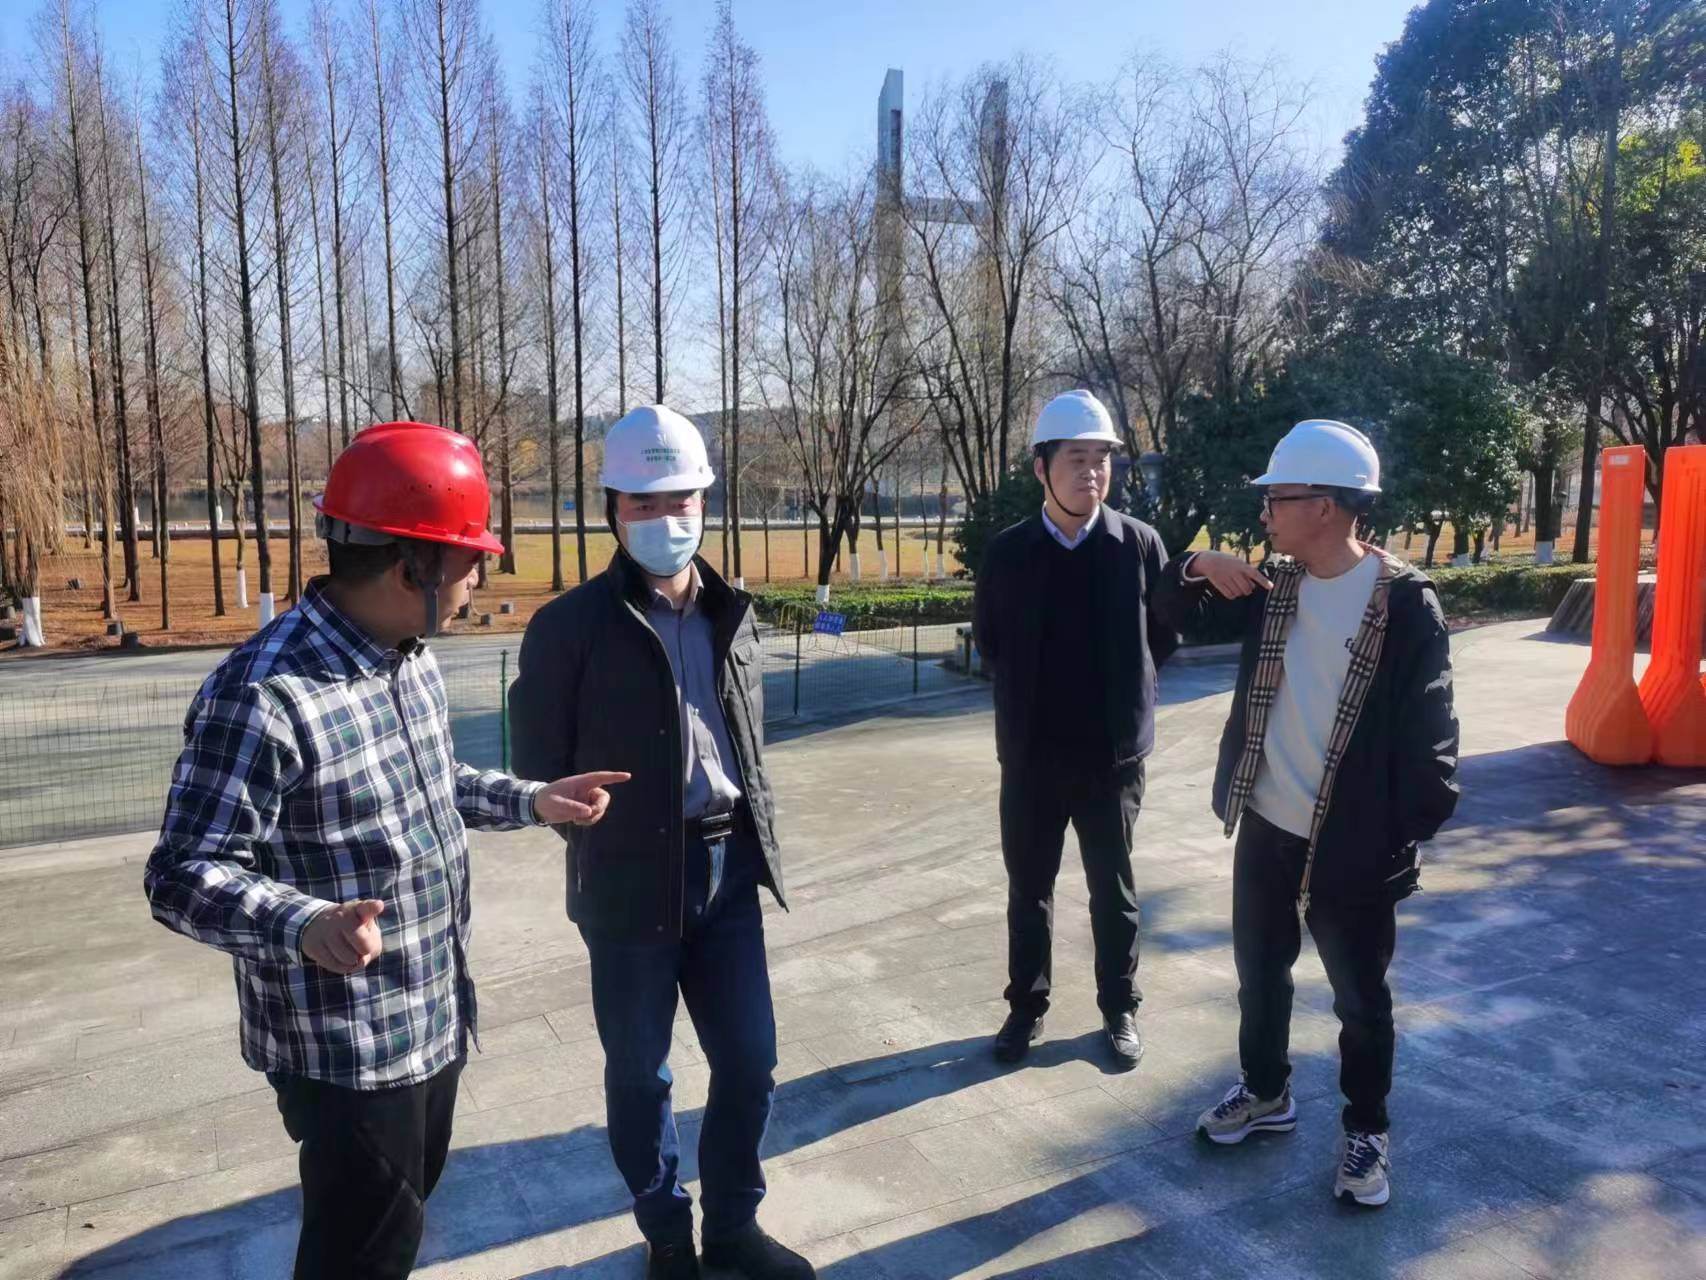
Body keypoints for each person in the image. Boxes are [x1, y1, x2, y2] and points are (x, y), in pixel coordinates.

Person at [143, 421, 628, 1280]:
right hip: (347, 1049)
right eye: (471, 560)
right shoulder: (265, 695)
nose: (480, 580)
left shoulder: (408, 658)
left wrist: (532, 799)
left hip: (432, 1011)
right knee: (360, 1252)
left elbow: (436, 783)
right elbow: (181, 872)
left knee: (401, 1220)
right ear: (413, 569)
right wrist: (305, 923)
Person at [509, 405, 812, 1280]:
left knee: (750, 1062)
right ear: (612, 509)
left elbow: (745, 740)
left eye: (679, 499)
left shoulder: (732, 613)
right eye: (643, 502)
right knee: (641, 1075)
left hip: (727, 872)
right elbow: (534, 763)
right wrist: (568, 806)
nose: (664, 518)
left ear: (704, 503)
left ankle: (735, 1226)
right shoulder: (568, 626)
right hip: (627, 880)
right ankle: (667, 1233)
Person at [1152, 419, 1460, 1209]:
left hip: (1354, 842)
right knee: (1260, 974)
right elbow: (1165, 612)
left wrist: (1394, 834)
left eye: (1276, 499)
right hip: (1267, 823)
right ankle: (1266, 1093)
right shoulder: (1274, 588)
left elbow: (1433, 736)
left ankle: (1367, 1129)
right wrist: (1195, 564)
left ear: (1324, 505)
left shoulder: (1404, 602)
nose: (1264, 513)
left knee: (1359, 998)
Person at [971, 390, 1178, 1070]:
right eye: (1076, 459)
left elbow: (1162, 639)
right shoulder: (1008, 554)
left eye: (1102, 459)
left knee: (1112, 891)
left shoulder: (1137, 546)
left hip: (1111, 761)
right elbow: (991, 643)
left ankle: (1120, 1006)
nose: (1092, 473)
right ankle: (1025, 1008)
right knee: (1029, 890)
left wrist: (1119, 705)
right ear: (1042, 467)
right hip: (1031, 758)